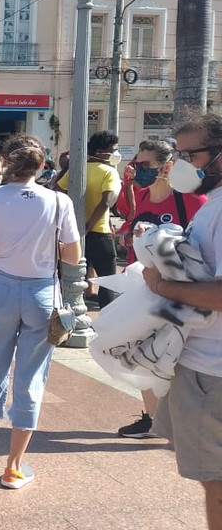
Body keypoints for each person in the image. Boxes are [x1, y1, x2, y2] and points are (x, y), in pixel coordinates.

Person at [0, 133, 81, 496]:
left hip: (3, 286)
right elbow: (73, 257)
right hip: (42, 290)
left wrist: (0, 247)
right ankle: (12, 467)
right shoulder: (58, 201)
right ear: (42, 165)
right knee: (31, 376)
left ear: (9, 164)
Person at [137, 114, 222, 530]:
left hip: (213, 370)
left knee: (217, 483)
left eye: (192, 156)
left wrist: (161, 287)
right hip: (205, 364)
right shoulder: (213, 205)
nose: (182, 164)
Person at [111, 139, 206, 439]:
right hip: (140, 287)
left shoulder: (190, 202)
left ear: (167, 166)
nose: (139, 170)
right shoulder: (140, 194)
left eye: (145, 165)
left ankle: (181, 419)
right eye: (137, 164)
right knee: (140, 352)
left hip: (175, 292)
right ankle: (152, 419)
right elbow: (126, 217)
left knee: (174, 356)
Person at [57, 130, 121, 307]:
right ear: (100, 152)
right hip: (99, 234)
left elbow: (58, 189)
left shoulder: (79, 170)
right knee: (108, 282)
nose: (116, 153)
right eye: (113, 149)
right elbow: (108, 200)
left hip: (74, 233)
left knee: (72, 279)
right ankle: (107, 323)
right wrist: (90, 224)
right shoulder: (109, 172)